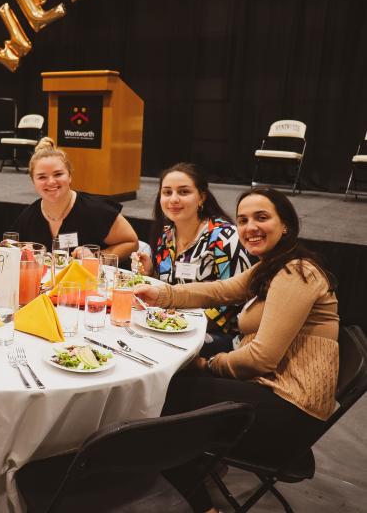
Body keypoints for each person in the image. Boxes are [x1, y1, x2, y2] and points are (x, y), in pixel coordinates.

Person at [134, 188, 338, 513]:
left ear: (285, 224)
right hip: (274, 391)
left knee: (165, 400)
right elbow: (219, 290)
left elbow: (262, 357)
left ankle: (202, 504)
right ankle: (202, 466)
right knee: (176, 388)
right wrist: (161, 294)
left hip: (290, 410)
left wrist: (206, 364)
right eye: (242, 220)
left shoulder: (296, 273)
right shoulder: (271, 266)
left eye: (261, 217)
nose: (249, 227)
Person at [139, 162, 253, 356]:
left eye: (183, 192)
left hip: (218, 333)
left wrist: (179, 325)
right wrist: (151, 272)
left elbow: (235, 298)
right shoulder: (166, 235)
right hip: (171, 325)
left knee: (154, 349)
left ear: (202, 197)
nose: (173, 199)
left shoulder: (225, 237)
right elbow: (170, 288)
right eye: (167, 192)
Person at [12, 138, 138, 260]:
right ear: (33, 182)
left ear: (70, 176)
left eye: (58, 174)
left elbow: (131, 242)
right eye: (42, 177)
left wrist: (96, 258)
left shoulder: (96, 210)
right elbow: (12, 249)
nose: (51, 181)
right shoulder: (28, 217)